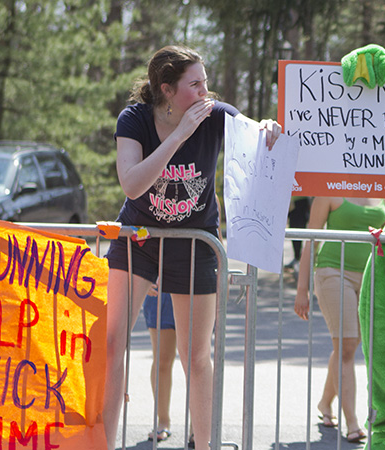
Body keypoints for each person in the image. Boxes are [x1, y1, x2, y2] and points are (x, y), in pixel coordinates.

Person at [103, 45, 281, 450]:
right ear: (166, 89)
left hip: (196, 241)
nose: (205, 91)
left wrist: (267, 127)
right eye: (195, 83)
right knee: (113, 345)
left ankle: (206, 445)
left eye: (206, 81)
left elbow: (254, 134)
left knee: (196, 356)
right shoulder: (134, 119)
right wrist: (180, 134)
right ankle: (103, 441)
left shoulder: (215, 114)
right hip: (140, 240)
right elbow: (132, 184)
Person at [294, 196, 385, 444]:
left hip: (371, 277)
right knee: (347, 346)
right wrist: (301, 290)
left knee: (345, 347)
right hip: (333, 273)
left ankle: (325, 402)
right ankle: (353, 423)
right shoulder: (329, 190)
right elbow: (311, 240)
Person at [143, 284, 177, 442]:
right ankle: (163, 421)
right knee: (162, 361)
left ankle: (197, 429)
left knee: (196, 363)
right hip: (162, 287)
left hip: (198, 282)